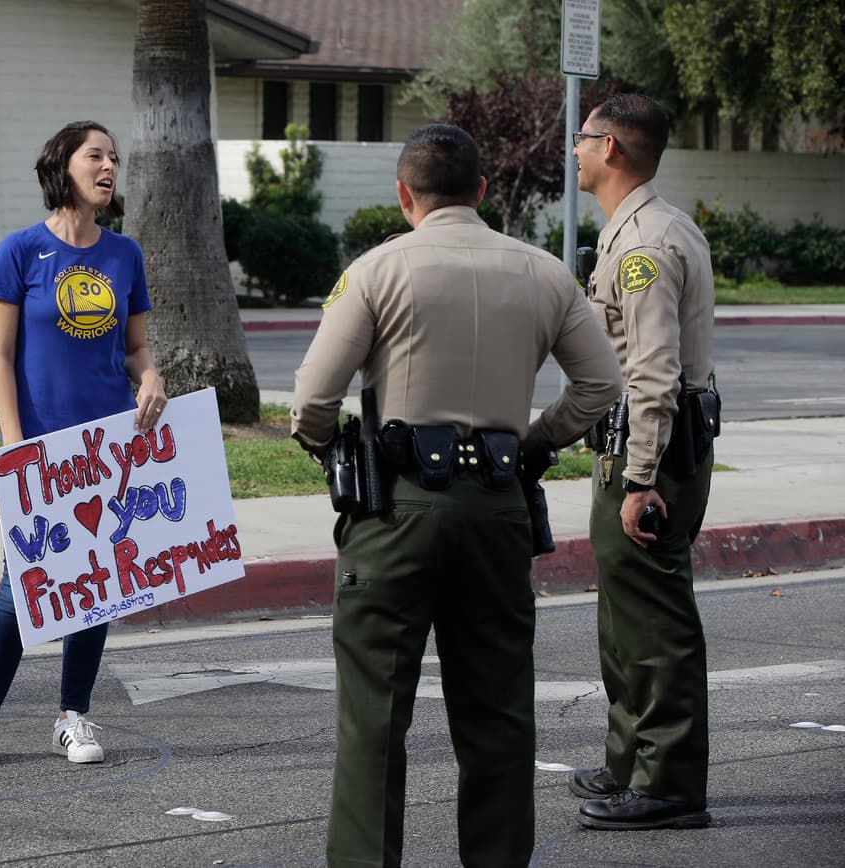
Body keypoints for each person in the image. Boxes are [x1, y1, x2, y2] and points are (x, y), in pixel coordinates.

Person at [291, 123, 621, 868]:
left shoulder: (376, 271)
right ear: (481, 191)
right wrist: (533, 445)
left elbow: (312, 401)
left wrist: (332, 453)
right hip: (499, 504)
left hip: (396, 508)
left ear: (405, 195)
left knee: (374, 722)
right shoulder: (544, 273)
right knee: (498, 715)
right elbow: (602, 386)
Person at [0, 120, 167, 768]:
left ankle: (74, 716)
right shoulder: (19, 252)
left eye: (114, 158)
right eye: (95, 155)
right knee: (21, 582)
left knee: (98, 583)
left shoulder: (124, 255)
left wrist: (150, 378)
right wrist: (15, 446)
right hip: (39, 448)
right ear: (62, 166)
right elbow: (0, 354)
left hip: (105, 447)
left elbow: (135, 349)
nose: (109, 167)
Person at [568, 93, 718, 830]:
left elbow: (655, 374)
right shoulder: (647, 227)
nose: (575, 148)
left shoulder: (643, 247)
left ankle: (668, 784)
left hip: (649, 451)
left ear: (614, 151)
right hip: (638, 444)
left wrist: (640, 481)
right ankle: (629, 760)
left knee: (654, 625)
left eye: (583, 138)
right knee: (625, 618)